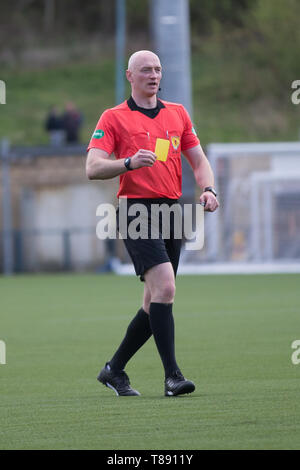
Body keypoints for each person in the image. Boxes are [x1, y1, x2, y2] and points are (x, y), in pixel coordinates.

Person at [86, 50, 219, 397]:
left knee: (154, 300)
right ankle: (173, 377)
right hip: (135, 211)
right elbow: (93, 167)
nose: (154, 74)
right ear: (129, 76)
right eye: (146, 69)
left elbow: (199, 159)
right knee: (166, 289)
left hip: (172, 211)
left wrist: (208, 188)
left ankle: (113, 370)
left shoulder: (177, 113)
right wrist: (127, 163)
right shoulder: (113, 118)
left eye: (158, 69)